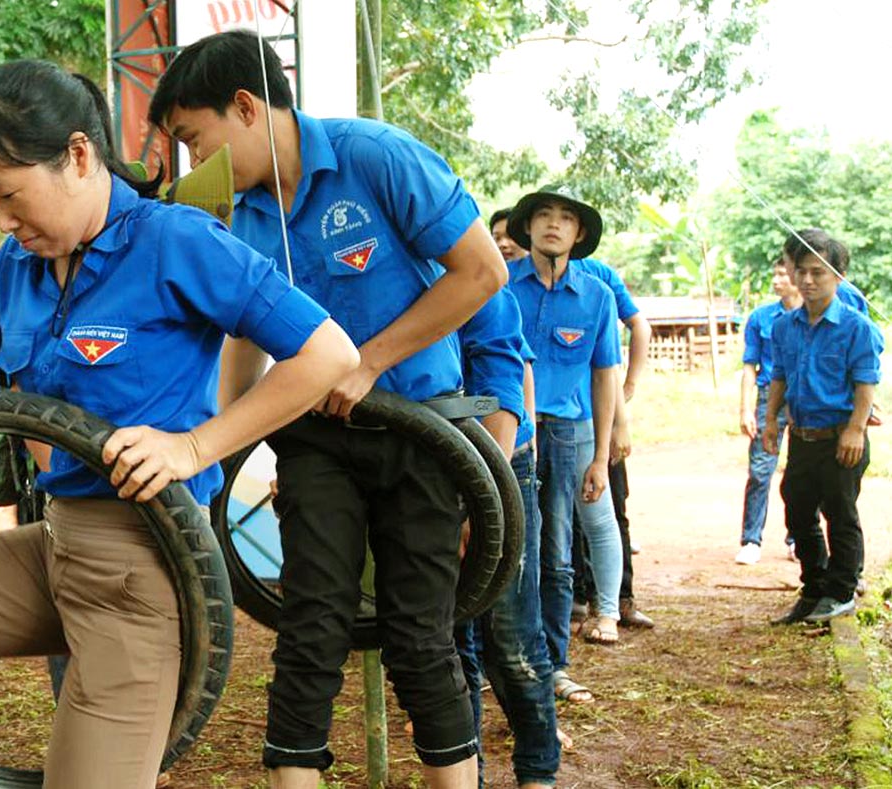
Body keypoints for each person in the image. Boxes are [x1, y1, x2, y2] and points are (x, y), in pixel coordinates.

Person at [0, 59, 357, 789]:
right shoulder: (16, 267)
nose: (1, 219)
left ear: (76, 155)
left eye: (7, 193)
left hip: (143, 561)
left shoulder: (174, 241)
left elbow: (326, 353)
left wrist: (195, 446)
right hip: (55, 539)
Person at [148, 30, 507, 789]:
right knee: (308, 629)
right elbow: (243, 348)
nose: (190, 164)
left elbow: (480, 272)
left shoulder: (373, 155)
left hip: (421, 427)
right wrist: (218, 446)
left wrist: (369, 360)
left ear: (244, 106)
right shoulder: (235, 214)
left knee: (419, 634)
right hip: (314, 440)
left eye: (192, 139)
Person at [504, 184, 624, 706]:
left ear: (579, 234)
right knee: (507, 548)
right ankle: (503, 661)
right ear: (527, 228)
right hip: (507, 432)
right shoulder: (499, 286)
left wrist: (601, 455)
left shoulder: (597, 297)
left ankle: (552, 666)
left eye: (566, 218)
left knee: (555, 553)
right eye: (544, 215)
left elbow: (604, 375)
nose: (554, 224)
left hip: (569, 434)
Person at [454, 289, 559, 789]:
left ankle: (537, 770)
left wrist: (486, 502)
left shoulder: (486, 285)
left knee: (512, 635)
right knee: (449, 642)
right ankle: (464, 774)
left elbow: (514, 377)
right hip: (424, 461)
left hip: (501, 458)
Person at [764, 235, 882, 624]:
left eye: (819, 272)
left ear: (839, 276)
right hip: (803, 436)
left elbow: (866, 382)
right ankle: (814, 588)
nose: (809, 280)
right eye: (802, 271)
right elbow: (778, 376)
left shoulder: (855, 327)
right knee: (797, 509)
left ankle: (841, 591)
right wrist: (770, 422)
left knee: (840, 513)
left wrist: (855, 430)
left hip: (841, 437)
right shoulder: (785, 326)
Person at [569, 256, 654, 629]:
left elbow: (613, 361)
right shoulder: (513, 283)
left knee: (608, 509)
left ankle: (620, 599)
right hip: (548, 423)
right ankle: (573, 598)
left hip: (595, 419)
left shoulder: (597, 279)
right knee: (559, 519)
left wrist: (623, 413)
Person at [735, 258, 801, 565]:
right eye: (774, 273)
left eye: (783, 274)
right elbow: (749, 366)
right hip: (767, 397)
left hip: (803, 397)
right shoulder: (761, 317)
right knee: (761, 469)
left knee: (803, 471)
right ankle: (751, 540)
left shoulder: (811, 317)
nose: (776, 280)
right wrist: (745, 408)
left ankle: (797, 538)